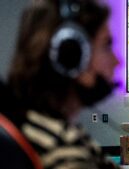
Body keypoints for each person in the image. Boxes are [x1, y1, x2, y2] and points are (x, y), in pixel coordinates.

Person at [0, 0, 120, 168]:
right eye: (107, 45)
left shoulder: (40, 126)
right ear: (71, 55)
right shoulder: (67, 157)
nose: (117, 61)